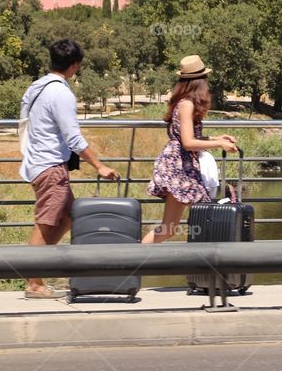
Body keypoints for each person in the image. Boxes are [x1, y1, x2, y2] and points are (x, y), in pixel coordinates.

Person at [19, 39, 119, 299]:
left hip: (40, 163)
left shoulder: (36, 87)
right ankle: (33, 282)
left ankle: (38, 268)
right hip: (51, 166)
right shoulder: (61, 93)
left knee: (68, 218)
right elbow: (73, 138)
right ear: (75, 65)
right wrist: (99, 165)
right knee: (45, 223)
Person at [143, 55, 237, 244]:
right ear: (199, 82)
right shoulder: (187, 104)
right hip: (178, 168)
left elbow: (190, 138)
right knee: (169, 227)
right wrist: (219, 144)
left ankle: (205, 260)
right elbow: (187, 142)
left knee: (172, 226)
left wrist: (218, 138)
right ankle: (133, 259)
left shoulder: (185, 102)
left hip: (182, 166)